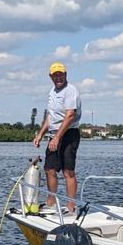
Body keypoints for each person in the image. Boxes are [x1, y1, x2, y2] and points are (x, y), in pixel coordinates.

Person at [31, 62, 81, 213]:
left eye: (61, 74)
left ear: (66, 74)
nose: (58, 77)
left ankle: (71, 207)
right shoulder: (52, 91)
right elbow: (50, 116)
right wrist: (40, 134)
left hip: (68, 134)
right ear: (50, 77)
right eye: (55, 75)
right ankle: (51, 203)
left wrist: (58, 137)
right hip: (54, 135)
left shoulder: (70, 91)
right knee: (50, 169)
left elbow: (70, 115)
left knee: (68, 171)